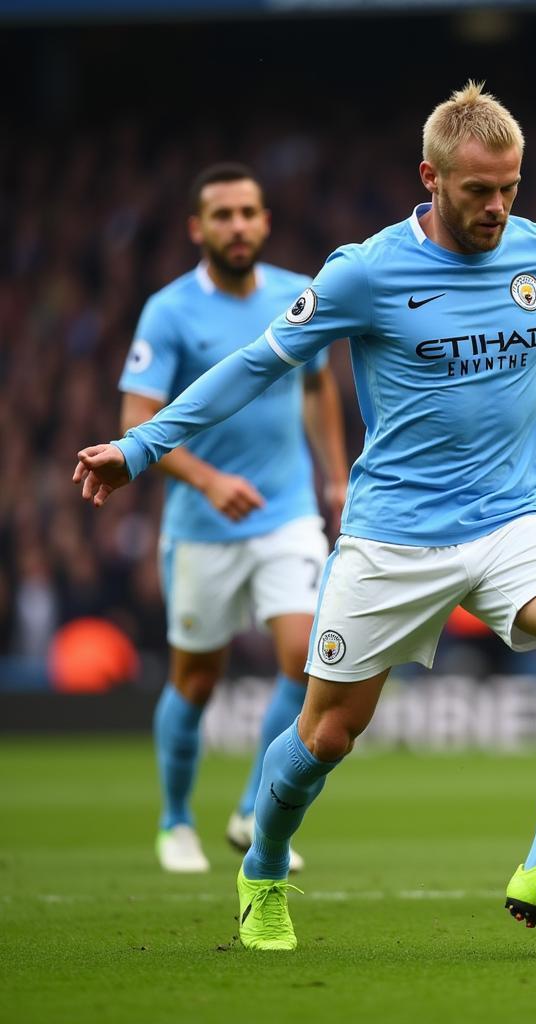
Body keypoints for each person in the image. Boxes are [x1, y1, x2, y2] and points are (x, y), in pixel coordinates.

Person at [75, 83, 536, 950]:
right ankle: (264, 864)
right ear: (431, 177)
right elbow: (253, 365)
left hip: (513, 524)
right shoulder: (366, 271)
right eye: (477, 191)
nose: (496, 208)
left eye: (510, 188)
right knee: (328, 734)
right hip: (393, 539)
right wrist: (143, 447)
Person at [118, 163, 348, 874]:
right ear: (198, 228)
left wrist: (335, 477)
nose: (238, 226)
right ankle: (175, 821)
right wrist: (210, 480)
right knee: (196, 679)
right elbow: (136, 421)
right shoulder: (169, 310)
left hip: (285, 514)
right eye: (223, 216)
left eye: (249, 213)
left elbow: (317, 388)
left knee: (306, 657)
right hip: (202, 525)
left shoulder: (294, 294)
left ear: (266, 220)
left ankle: (253, 810)